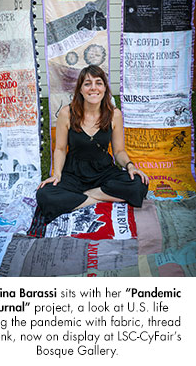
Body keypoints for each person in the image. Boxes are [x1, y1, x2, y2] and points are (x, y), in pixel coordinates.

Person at [32, 65, 149, 237]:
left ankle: (83, 197)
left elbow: (119, 151)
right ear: (80, 89)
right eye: (87, 83)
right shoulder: (67, 113)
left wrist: (130, 166)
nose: (93, 88)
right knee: (44, 195)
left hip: (104, 172)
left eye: (98, 83)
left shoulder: (114, 114)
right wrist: (56, 174)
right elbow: (60, 149)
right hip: (73, 173)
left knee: (139, 184)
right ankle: (100, 197)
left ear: (105, 88)